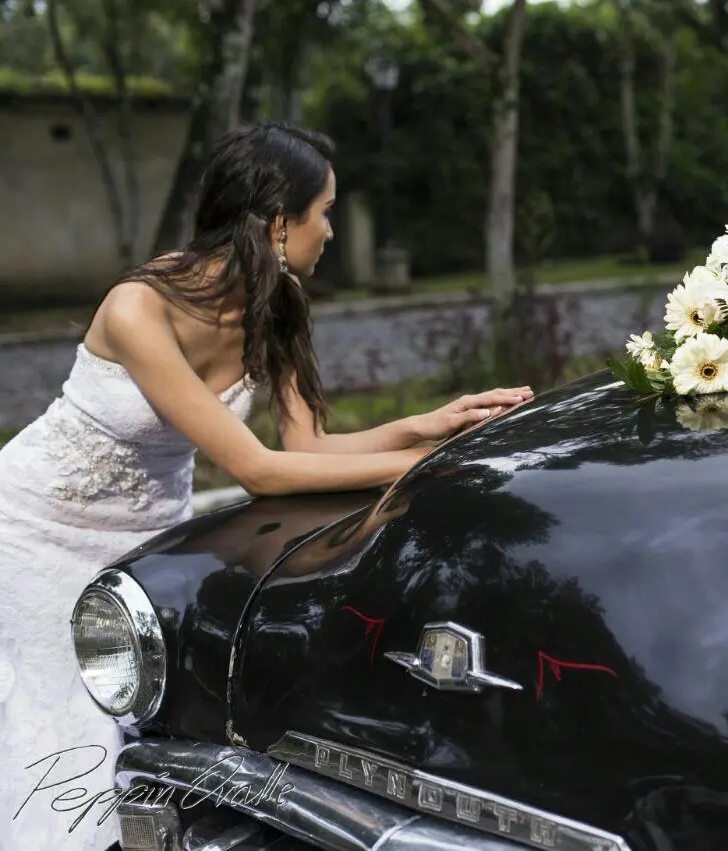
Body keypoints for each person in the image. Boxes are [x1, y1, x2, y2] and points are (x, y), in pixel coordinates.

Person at [0, 121, 533, 848]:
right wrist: (423, 471)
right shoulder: (138, 309)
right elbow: (256, 470)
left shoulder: (278, 306)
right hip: (31, 527)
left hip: (140, 539)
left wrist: (426, 425)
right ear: (281, 224)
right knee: (67, 735)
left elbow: (308, 447)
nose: (333, 232)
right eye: (327, 212)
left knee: (134, 727)